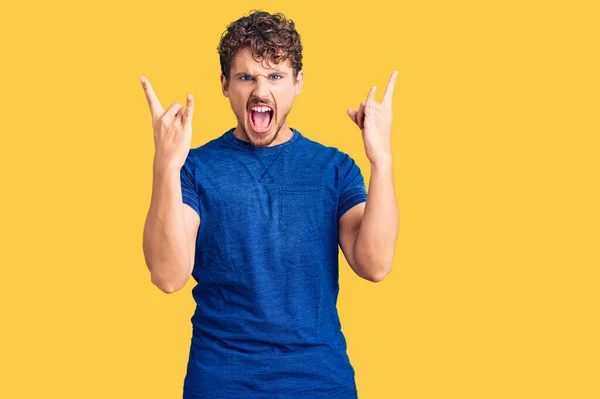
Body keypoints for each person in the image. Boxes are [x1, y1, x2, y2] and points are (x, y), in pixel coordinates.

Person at [141, 9, 399, 399]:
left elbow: (375, 265)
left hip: (319, 380)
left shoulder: (334, 168)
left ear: (297, 83)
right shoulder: (194, 168)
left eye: (275, 76)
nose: (261, 91)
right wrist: (165, 164)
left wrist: (381, 161)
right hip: (220, 381)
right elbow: (167, 276)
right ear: (226, 85)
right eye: (247, 77)